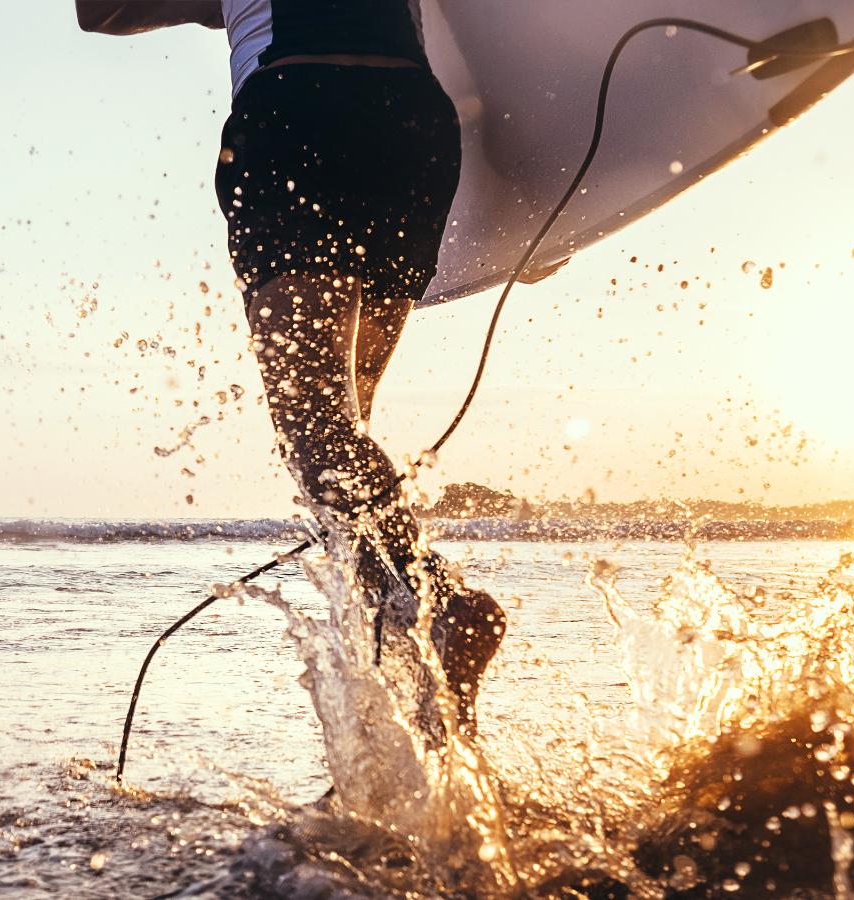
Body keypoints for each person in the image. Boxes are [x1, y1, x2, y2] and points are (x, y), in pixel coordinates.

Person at [76, 0, 504, 733]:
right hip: (411, 123)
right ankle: (431, 734)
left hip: (301, 109)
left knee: (314, 426)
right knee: (345, 441)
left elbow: (103, 11)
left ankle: (444, 602)